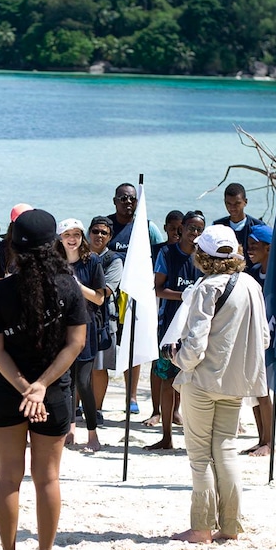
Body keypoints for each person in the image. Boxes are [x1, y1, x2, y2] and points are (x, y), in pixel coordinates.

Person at [0, 209, 88, 550]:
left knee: (8, 476)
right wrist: (41, 387)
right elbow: (75, 346)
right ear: (53, 246)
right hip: (53, 394)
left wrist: (26, 387)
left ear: (14, 246)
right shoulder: (69, 287)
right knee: (48, 478)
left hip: (8, 392)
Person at [167, 225, 268, 543]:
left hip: (202, 381)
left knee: (199, 457)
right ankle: (229, 526)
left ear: (202, 255)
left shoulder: (205, 287)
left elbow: (194, 346)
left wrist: (176, 358)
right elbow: (263, 337)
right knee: (225, 451)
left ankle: (200, 529)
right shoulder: (251, 285)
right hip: (236, 382)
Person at [149, 210, 205, 450]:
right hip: (170, 326)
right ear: (181, 228)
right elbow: (158, 289)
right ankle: (166, 435)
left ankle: (197, 436)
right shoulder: (167, 253)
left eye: (199, 229)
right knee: (168, 379)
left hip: (198, 327)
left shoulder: (204, 256)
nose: (195, 233)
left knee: (196, 380)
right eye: (191, 227)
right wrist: (184, 295)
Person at [57, 218, 106, 453]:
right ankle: (68, 430)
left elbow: (99, 298)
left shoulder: (92, 261)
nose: (72, 238)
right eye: (67, 234)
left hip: (86, 327)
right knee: (64, 384)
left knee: (84, 383)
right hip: (59, 329)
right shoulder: (54, 262)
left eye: (76, 234)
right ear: (60, 238)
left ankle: (93, 435)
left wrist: (76, 285)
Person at [105, 183, 145, 415]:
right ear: (115, 201)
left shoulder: (144, 227)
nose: (128, 202)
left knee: (132, 347)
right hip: (109, 296)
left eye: (131, 199)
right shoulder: (105, 226)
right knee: (104, 347)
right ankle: (92, 396)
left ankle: (131, 396)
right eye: (123, 198)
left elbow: (156, 256)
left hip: (134, 297)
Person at [142, 210, 184, 427]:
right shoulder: (159, 251)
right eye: (173, 228)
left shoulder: (191, 253)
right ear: (165, 227)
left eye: (180, 228)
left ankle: (175, 411)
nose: (177, 232)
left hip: (183, 319)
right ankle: (156, 410)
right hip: (159, 315)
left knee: (180, 366)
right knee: (158, 365)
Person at [243, 222, 274, 457]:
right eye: (248, 246)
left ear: (269, 248)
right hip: (253, 337)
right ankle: (260, 437)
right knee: (255, 389)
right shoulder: (252, 273)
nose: (250, 250)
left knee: (265, 392)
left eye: (255, 246)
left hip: (271, 339)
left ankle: (269, 441)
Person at [86, 216, 123, 414]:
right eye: (95, 231)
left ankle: (96, 409)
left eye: (104, 232)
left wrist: (77, 286)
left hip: (104, 321)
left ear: (110, 237)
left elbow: (106, 290)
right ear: (88, 233)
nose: (99, 235)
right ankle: (75, 407)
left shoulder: (114, 261)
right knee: (76, 366)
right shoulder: (78, 255)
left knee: (99, 368)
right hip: (78, 317)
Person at [214, 182, 266, 266]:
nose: (232, 207)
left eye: (237, 203)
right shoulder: (218, 227)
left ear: (245, 202)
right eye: (228, 203)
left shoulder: (258, 227)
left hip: (252, 276)